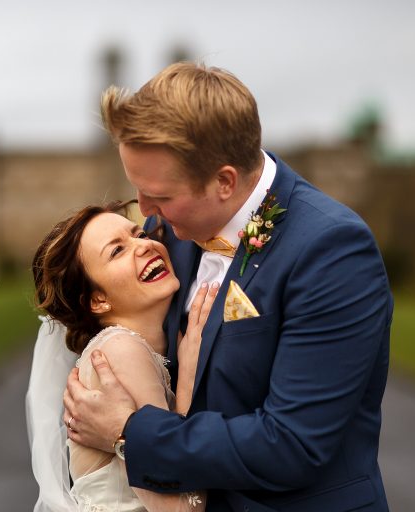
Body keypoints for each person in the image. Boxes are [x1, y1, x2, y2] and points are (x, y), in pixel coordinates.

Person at [63, 62, 393, 511]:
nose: (143, 209)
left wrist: (127, 431)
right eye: (138, 189)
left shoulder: (332, 251)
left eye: (158, 194)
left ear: (224, 182)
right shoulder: (169, 230)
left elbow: (291, 445)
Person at [28, 200, 218, 511]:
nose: (144, 246)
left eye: (139, 236)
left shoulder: (128, 348)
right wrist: (187, 380)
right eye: (117, 251)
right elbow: (184, 507)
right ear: (98, 300)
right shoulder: (119, 352)